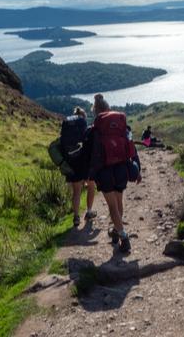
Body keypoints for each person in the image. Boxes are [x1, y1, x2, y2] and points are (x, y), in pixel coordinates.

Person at [89, 93, 141, 253]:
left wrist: (90, 174)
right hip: (122, 168)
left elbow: (91, 154)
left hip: (105, 172)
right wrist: (137, 168)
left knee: (112, 206)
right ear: (108, 108)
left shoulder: (95, 129)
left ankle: (124, 237)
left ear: (95, 111)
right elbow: (131, 146)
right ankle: (116, 231)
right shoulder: (121, 126)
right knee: (118, 202)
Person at [60, 106, 96, 228]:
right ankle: (89, 211)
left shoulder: (67, 124)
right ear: (84, 116)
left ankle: (76, 217)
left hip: (71, 161)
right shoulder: (82, 124)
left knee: (76, 191)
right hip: (83, 161)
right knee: (91, 185)